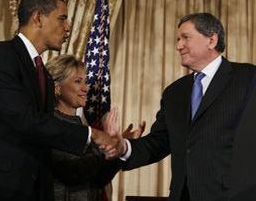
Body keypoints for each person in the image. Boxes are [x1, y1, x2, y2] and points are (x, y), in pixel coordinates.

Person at [0, 0, 123, 201]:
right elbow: (25, 120)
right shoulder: (1, 56)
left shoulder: (46, 78)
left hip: (31, 188)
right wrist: (92, 134)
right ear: (38, 18)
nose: (68, 27)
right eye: (62, 18)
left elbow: (45, 136)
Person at [104, 13, 256, 201]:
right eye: (178, 39)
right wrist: (123, 148)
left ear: (211, 40)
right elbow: (159, 142)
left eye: (186, 37)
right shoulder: (174, 93)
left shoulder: (248, 79)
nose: (178, 46)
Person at [46, 54, 146, 201]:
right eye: (77, 81)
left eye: (85, 81)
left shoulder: (79, 124)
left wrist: (118, 147)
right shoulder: (50, 124)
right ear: (57, 88)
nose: (85, 88)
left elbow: (98, 180)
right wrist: (106, 147)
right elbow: (74, 173)